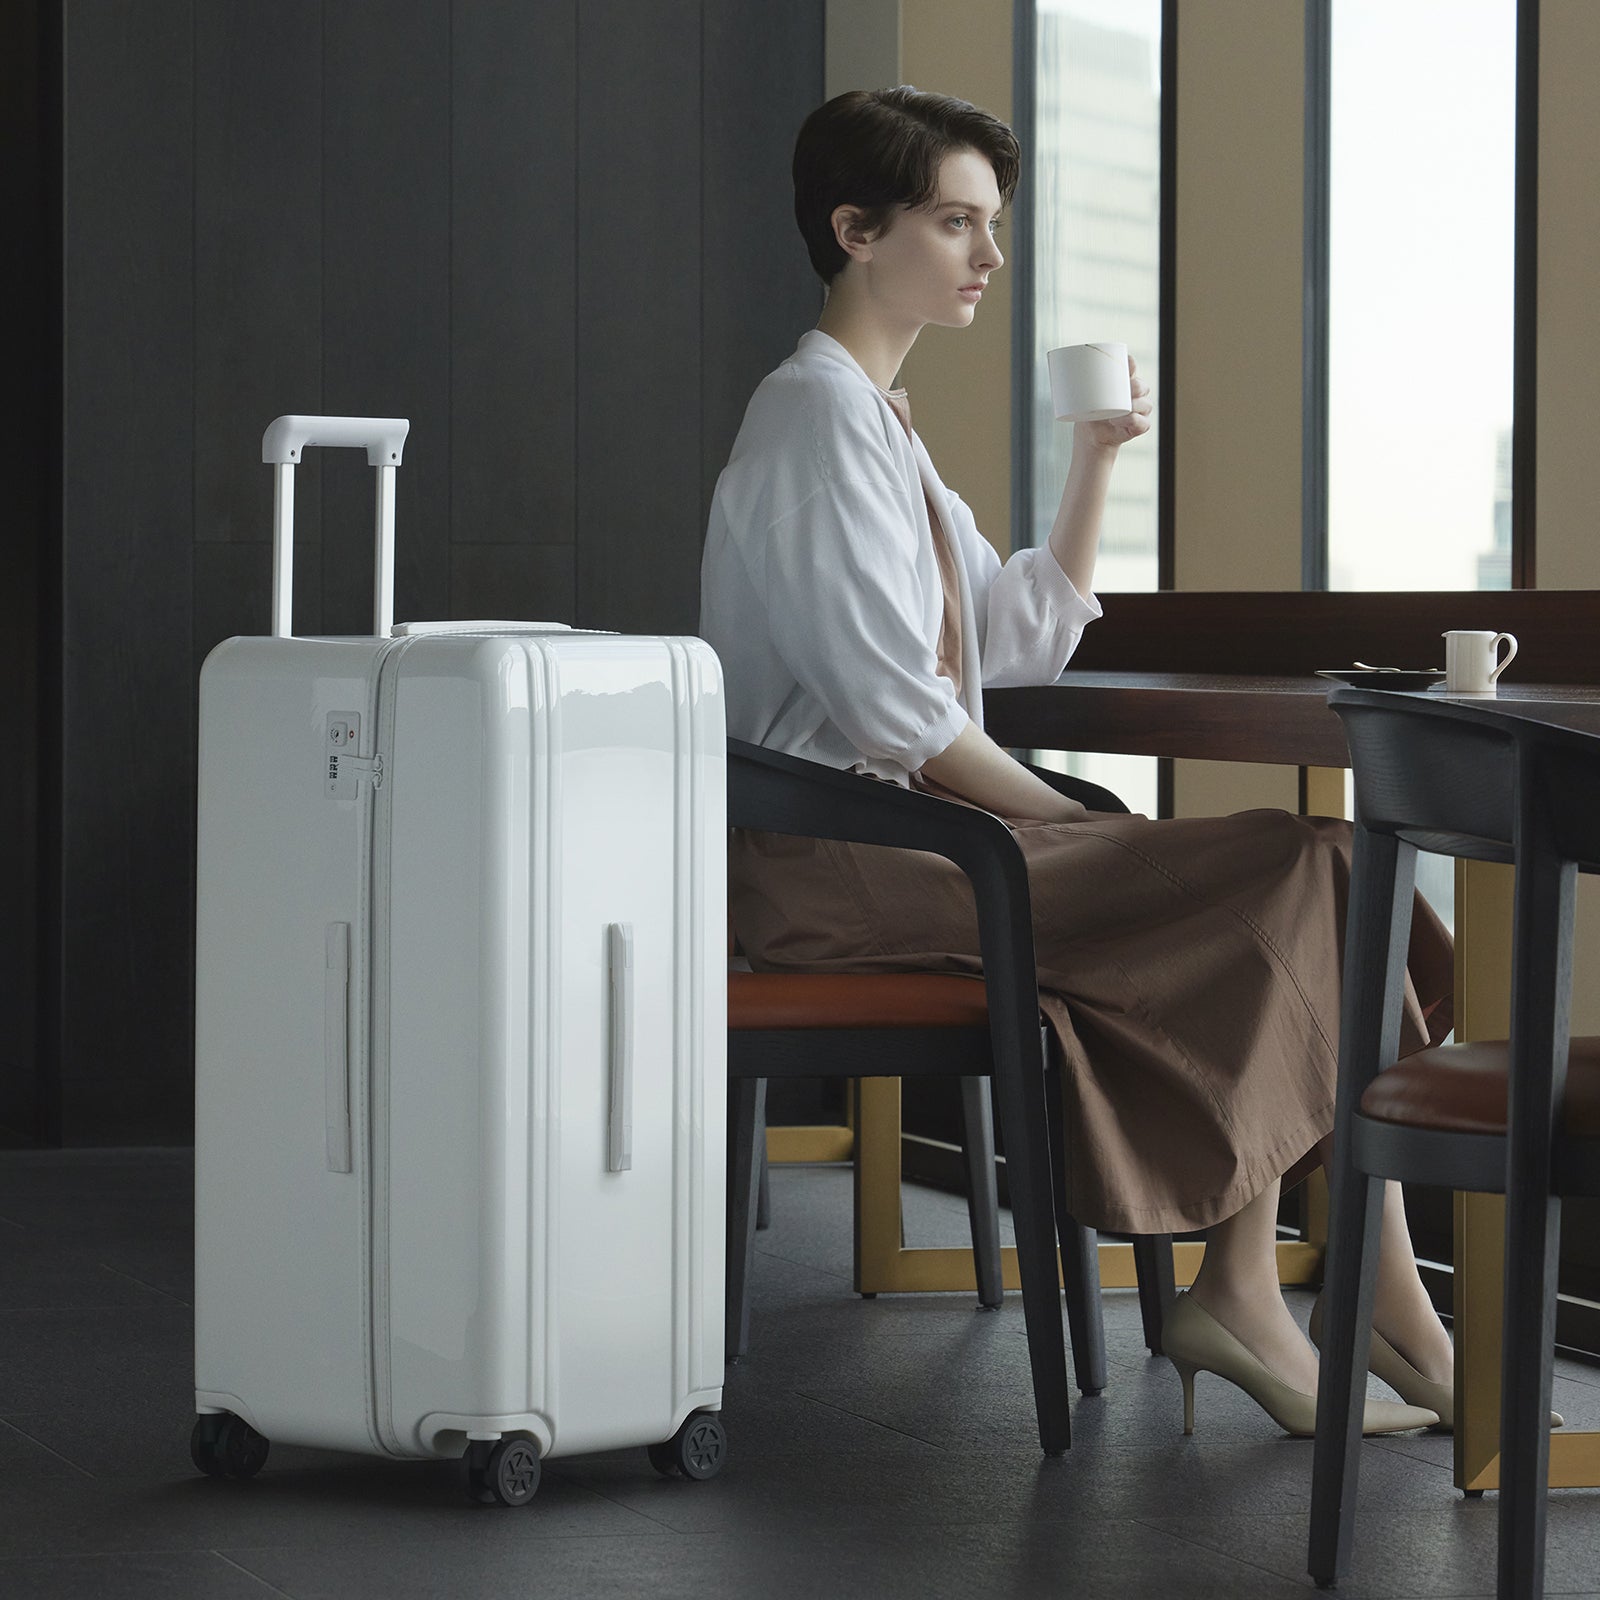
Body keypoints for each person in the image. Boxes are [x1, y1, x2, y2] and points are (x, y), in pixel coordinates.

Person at [699, 85, 1457, 1437]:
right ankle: (1324, 1297)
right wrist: (1068, 820)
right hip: (844, 866)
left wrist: (1096, 460)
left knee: (1338, 868)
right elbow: (904, 721)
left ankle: (1331, 1289)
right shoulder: (813, 421)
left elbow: (1012, 638)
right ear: (856, 229)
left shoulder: (882, 427)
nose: (989, 258)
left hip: (905, 844)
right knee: (1310, 863)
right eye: (955, 224)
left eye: (994, 226)